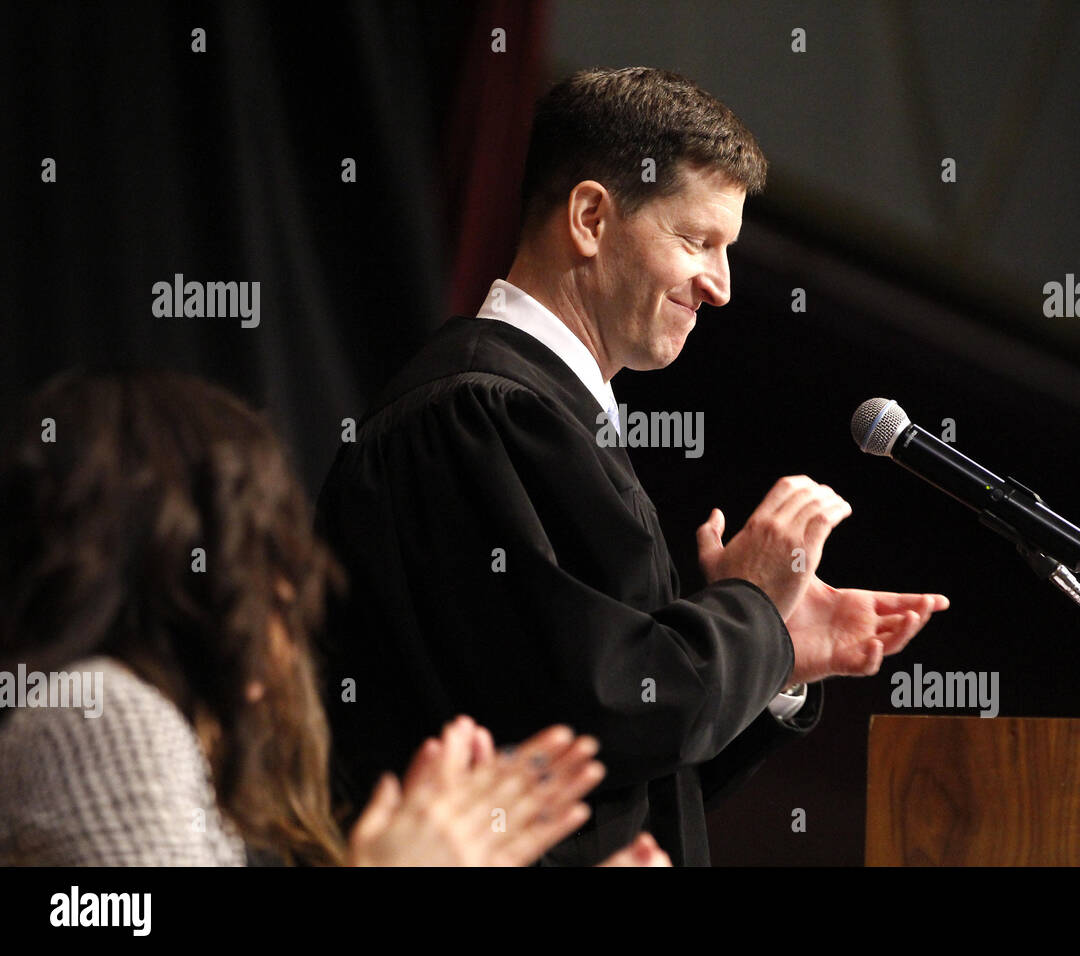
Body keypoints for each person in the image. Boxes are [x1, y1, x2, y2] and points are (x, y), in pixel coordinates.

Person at [315, 66, 949, 867]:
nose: (719, 287)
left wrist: (774, 654)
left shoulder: (541, 415)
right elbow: (596, 708)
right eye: (697, 241)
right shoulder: (477, 414)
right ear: (589, 217)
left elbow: (619, 779)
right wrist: (750, 607)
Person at [0, 368, 669, 867]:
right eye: (262, 545)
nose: (291, 588)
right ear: (178, 554)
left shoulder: (160, 735)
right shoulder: (106, 712)